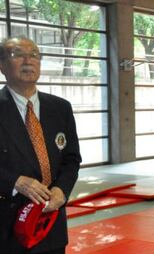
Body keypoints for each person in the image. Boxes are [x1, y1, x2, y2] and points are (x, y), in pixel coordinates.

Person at [0, 36, 81, 253]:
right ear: (2, 65)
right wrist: (15, 181)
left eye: (34, 55)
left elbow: (72, 159)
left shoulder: (61, 108)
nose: (29, 60)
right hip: (6, 226)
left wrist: (61, 191)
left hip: (50, 224)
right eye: (18, 54)